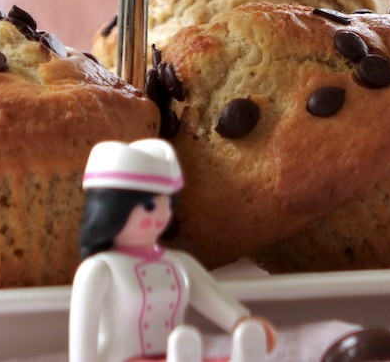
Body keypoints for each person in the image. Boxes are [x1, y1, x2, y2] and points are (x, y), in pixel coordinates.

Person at [69, 139, 274, 362]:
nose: (162, 215)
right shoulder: (98, 269)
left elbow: (211, 297)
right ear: (112, 209)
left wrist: (244, 323)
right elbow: (83, 337)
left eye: (167, 205)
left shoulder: (179, 263)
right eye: (149, 207)